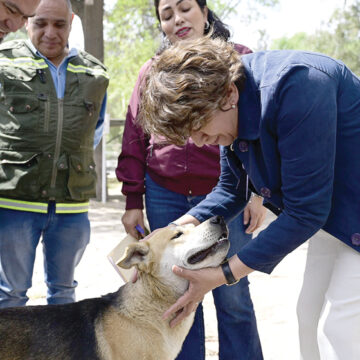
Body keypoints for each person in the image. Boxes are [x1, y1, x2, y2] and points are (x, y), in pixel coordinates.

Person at [139, 35, 360, 360]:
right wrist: (172, 231)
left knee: (341, 327)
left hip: (342, 213)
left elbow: (305, 212)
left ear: (228, 94)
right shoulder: (230, 105)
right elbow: (233, 190)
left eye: (200, 129)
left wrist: (221, 275)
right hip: (336, 217)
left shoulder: (300, 86)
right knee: (308, 317)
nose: (200, 143)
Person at [116, 1, 266, 359]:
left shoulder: (238, 61)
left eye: (185, 8)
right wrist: (133, 201)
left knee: (233, 297)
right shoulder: (150, 72)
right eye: (166, 15)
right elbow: (134, 139)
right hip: (164, 194)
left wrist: (258, 191)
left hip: (227, 197)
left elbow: (259, 128)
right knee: (178, 291)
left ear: (204, 11)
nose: (177, 19)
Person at [0, 0, 109, 308]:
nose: (50, 33)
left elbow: (96, 131)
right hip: (13, 202)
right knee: (10, 293)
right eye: (40, 23)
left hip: (71, 208)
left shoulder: (95, 74)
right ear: (26, 22)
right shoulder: (3, 64)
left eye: (59, 25)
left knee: (64, 295)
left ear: (71, 23)